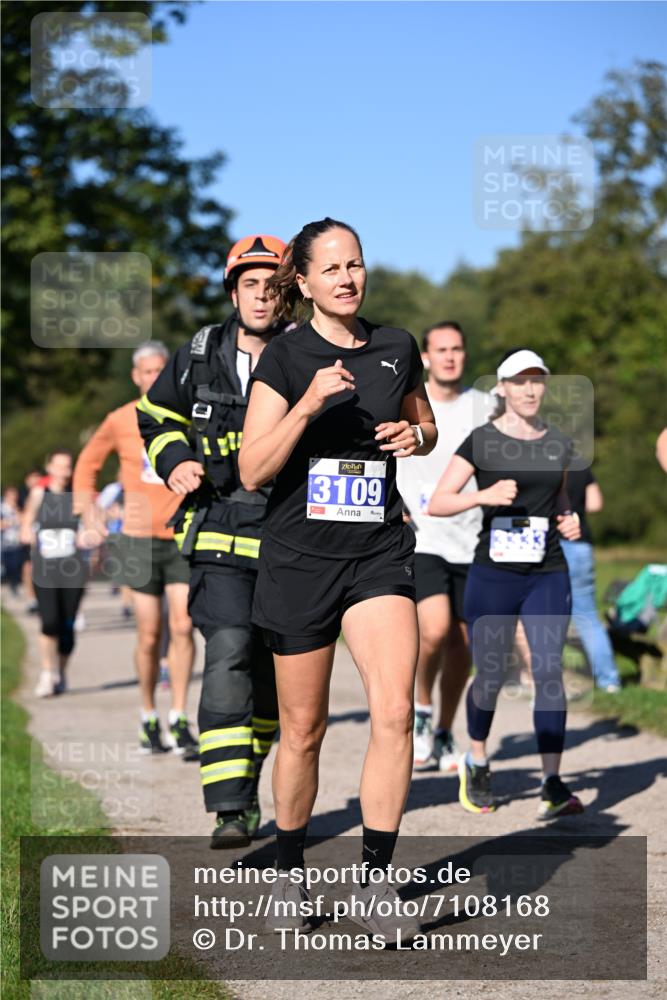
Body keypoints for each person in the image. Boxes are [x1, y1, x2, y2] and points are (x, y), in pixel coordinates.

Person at [239, 218, 437, 937]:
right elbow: (254, 470)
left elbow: (423, 426)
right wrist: (307, 405)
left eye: (355, 264)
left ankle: (376, 885)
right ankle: (289, 872)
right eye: (331, 269)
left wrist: (417, 436)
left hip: (378, 552)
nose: (348, 278)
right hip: (298, 560)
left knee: (392, 713)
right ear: (303, 282)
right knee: (303, 729)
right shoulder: (286, 360)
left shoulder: (394, 346)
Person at [138, 235, 289, 848]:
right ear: (233, 292)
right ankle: (230, 807)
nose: (259, 295)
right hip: (220, 531)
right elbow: (155, 415)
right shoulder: (199, 354)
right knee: (227, 653)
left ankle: (246, 774)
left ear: (288, 295)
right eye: (248, 284)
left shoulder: (309, 354)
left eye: (271, 285)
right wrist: (174, 458)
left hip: (290, 539)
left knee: (274, 677)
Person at [429, 347, 584, 820]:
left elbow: (558, 499)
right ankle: (476, 759)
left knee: (549, 673)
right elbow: (438, 502)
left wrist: (568, 518)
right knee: (492, 673)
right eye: (520, 381)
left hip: (546, 570)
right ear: (503, 388)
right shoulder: (482, 441)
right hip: (494, 573)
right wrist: (486, 494)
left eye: (537, 380)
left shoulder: (558, 442)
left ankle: (551, 783)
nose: (530, 389)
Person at [73, 342, 196, 757]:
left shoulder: (186, 409)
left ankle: (180, 716)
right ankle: (148, 716)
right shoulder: (120, 419)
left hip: (182, 533)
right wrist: (89, 512)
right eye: (146, 372)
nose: (153, 377)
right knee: (149, 634)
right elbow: (87, 464)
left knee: (182, 627)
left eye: (160, 370)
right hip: (136, 537)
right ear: (135, 376)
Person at [396, 321, 494, 772]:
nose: (450, 356)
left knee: (463, 643)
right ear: (428, 358)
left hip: (473, 540)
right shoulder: (411, 401)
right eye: (441, 349)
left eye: (458, 348)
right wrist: (392, 504)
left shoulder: (487, 407)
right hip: (423, 534)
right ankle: (420, 713)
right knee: (433, 629)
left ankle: (443, 731)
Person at [20, 450, 87, 697]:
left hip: (72, 569)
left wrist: (87, 535)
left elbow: (89, 525)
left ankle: (61, 672)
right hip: (45, 568)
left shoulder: (78, 496)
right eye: (58, 466)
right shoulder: (40, 494)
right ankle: (47, 672)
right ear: (49, 467)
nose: (63, 471)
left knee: (67, 627)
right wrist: (27, 532)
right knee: (49, 621)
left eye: (67, 467)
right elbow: (27, 521)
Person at [559, 466, 622, 692]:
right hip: (579, 544)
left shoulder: (535, 461)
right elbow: (595, 504)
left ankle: (547, 682)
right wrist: (573, 509)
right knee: (588, 616)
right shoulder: (581, 468)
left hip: (548, 544)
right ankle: (609, 680)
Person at [1, 486, 25, 594]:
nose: (14, 497)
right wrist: (10, 522)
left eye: (15, 495)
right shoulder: (2, 508)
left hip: (17, 543)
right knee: (7, 566)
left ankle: (14, 586)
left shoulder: (18, 507)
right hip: (4, 543)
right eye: (11, 495)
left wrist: (17, 510)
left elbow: (23, 520)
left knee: (16, 566)